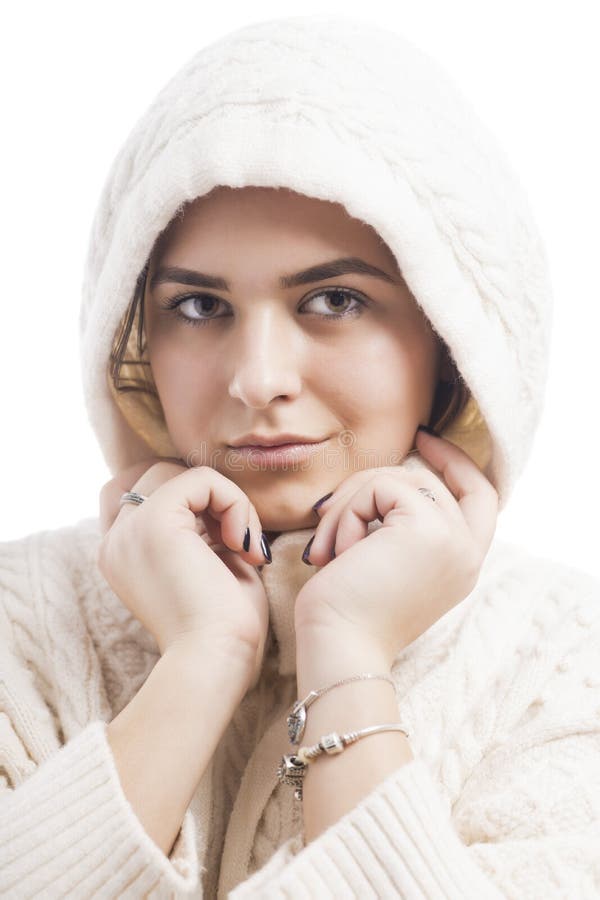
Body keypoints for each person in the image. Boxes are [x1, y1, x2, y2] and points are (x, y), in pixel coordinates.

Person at [1, 12, 599, 899]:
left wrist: (346, 649)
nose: (258, 379)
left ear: (450, 331)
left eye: (333, 298)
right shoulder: (23, 625)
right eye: (199, 307)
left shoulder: (564, 663)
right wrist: (202, 657)